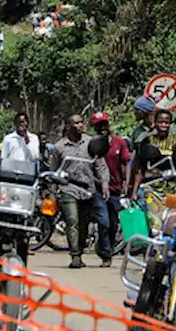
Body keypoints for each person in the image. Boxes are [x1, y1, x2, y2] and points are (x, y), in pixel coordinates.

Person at [50, 115, 111, 268]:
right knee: (72, 221)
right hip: (68, 187)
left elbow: (101, 166)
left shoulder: (91, 143)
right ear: (69, 126)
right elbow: (53, 171)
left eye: (81, 122)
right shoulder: (59, 147)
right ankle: (75, 255)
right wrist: (52, 192)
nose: (80, 125)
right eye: (76, 123)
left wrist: (104, 184)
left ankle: (81, 249)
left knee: (84, 224)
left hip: (87, 188)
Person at [91, 112, 130, 255]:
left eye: (104, 124)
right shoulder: (93, 144)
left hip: (116, 188)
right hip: (98, 188)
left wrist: (126, 181)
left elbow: (126, 163)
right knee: (103, 221)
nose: (102, 128)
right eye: (98, 125)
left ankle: (109, 248)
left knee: (113, 224)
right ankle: (105, 253)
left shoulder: (119, 142)